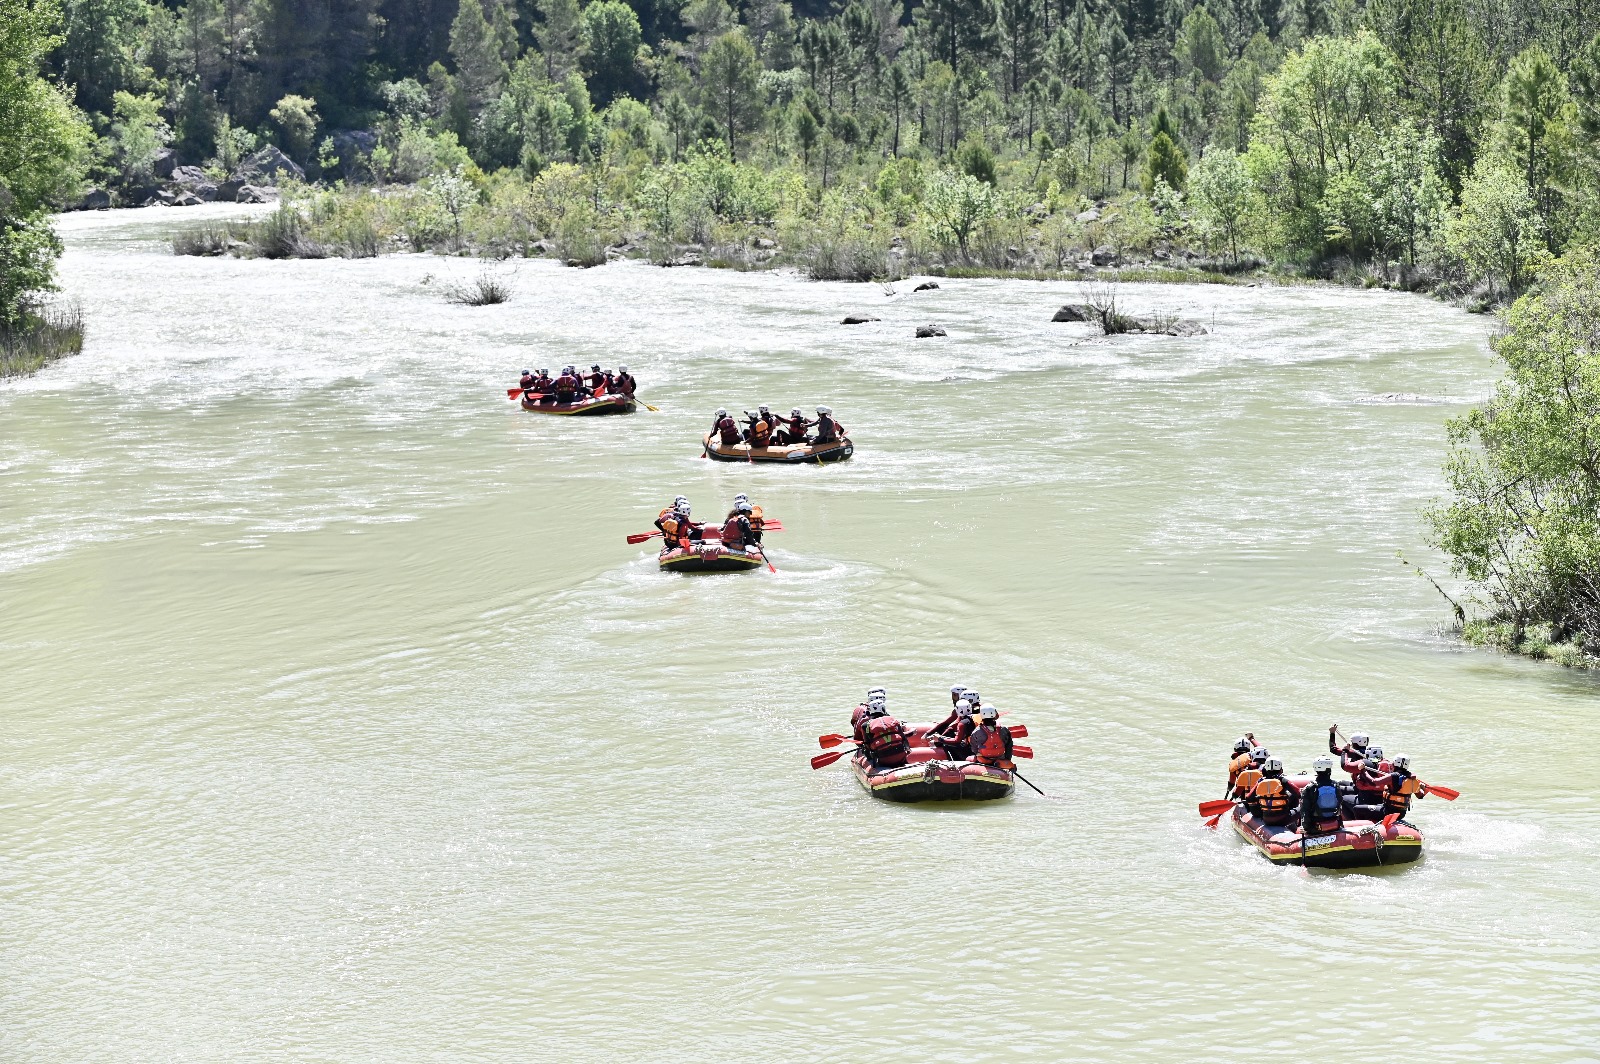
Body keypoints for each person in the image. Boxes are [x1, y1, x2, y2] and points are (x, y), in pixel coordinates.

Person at [1245, 758, 1299, 826]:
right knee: (1301, 805)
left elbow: (1249, 797)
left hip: (1266, 819)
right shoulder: (1283, 781)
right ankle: (1304, 828)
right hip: (1282, 819)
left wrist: (1259, 798)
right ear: (1280, 769)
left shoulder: (1260, 781)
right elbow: (1298, 793)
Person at [1301, 756, 1346, 836]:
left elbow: (1305, 810)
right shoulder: (1336, 785)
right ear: (1329, 769)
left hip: (1315, 829)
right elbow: (1339, 805)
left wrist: (1305, 828)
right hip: (1335, 826)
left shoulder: (1310, 788)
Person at [1376, 754, 1428, 820]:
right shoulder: (1412, 780)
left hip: (1387, 812)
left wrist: (1363, 771)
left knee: (1359, 809)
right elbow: (1420, 796)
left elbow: (1375, 782)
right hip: (1401, 814)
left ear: (1394, 763)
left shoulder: (1393, 776)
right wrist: (1423, 788)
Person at [1345, 747, 1390, 820]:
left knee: (1343, 800)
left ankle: (1351, 822)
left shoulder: (1367, 763)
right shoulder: (1388, 767)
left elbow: (1346, 766)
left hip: (1366, 798)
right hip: (1381, 800)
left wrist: (1345, 752)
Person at [863, 704, 910, 769]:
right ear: (883, 709)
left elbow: (868, 745)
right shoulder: (892, 719)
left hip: (884, 760)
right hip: (900, 756)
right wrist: (908, 749)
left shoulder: (866, 725)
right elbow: (903, 738)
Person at [968, 704, 1015, 770]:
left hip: (984, 760)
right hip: (1000, 759)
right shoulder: (1003, 729)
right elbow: (1009, 746)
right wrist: (1007, 760)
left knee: (968, 759)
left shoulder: (977, 731)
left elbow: (974, 748)